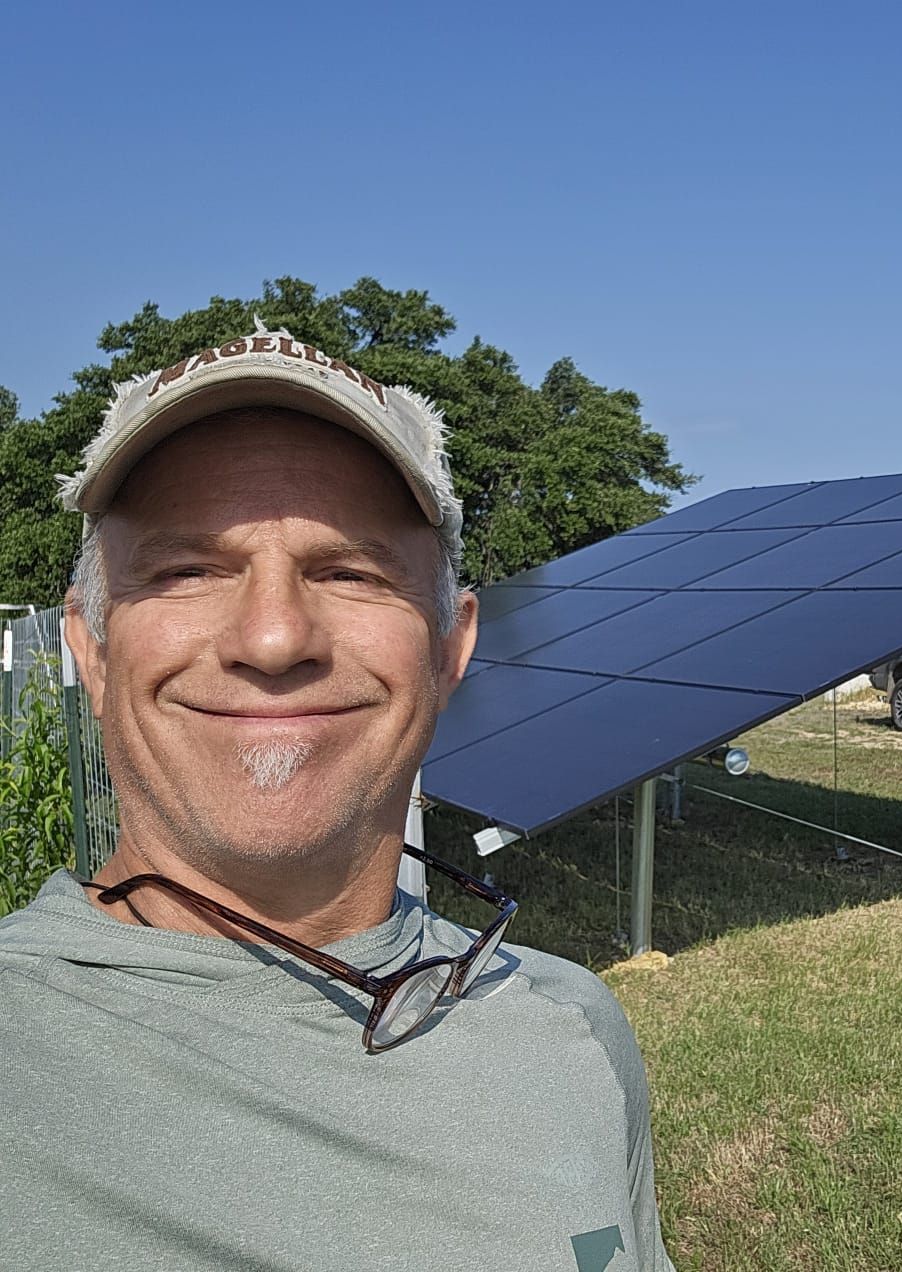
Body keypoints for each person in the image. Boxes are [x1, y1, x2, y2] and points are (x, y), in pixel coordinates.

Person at [0, 325, 674, 1272]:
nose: (274, 638)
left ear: (451, 646)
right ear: (91, 645)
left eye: (350, 571)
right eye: (187, 569)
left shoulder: (572, 1026)